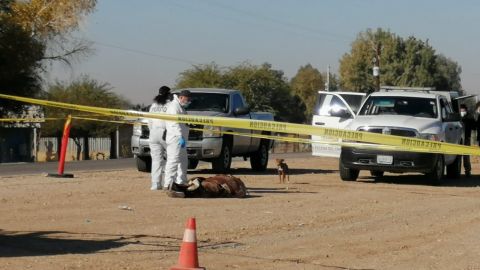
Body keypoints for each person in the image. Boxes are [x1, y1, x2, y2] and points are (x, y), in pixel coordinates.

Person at [163, 90, 192, 197]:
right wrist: (180, 136)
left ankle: (181, 182)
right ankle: (168, 184)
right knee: (173, 161)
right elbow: (174, 124)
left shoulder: (180, 107)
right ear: (181, 97)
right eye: (187, 99)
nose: (189, 102)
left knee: (183, 161)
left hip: (181, 139)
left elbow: (183, 122)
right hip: (175, 138)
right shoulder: (174, 107)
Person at [148, 86, 171, 190]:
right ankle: (169, 182)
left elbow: (149, 122)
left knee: (156, 160)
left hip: (153, 133)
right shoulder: (170, 105)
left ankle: (155, 184)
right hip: (165, 133)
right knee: (171, 158)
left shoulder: (153, 105)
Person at [460, 104, 475, 177]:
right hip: (457, 139)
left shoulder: (469, 117)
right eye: (461, 110)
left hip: (466, 139)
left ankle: (467, 171)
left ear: (466, 110)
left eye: (463, 110)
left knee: (466, 156)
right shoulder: (457, 117)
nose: (462, 111)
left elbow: (474, 127)